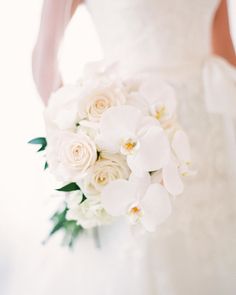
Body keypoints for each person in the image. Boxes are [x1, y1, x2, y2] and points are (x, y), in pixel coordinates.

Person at [32, 1, 236, 294]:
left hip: (210, 142)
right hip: (130, 143)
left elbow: (225, 57)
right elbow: (45, 61)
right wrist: (81, 139)